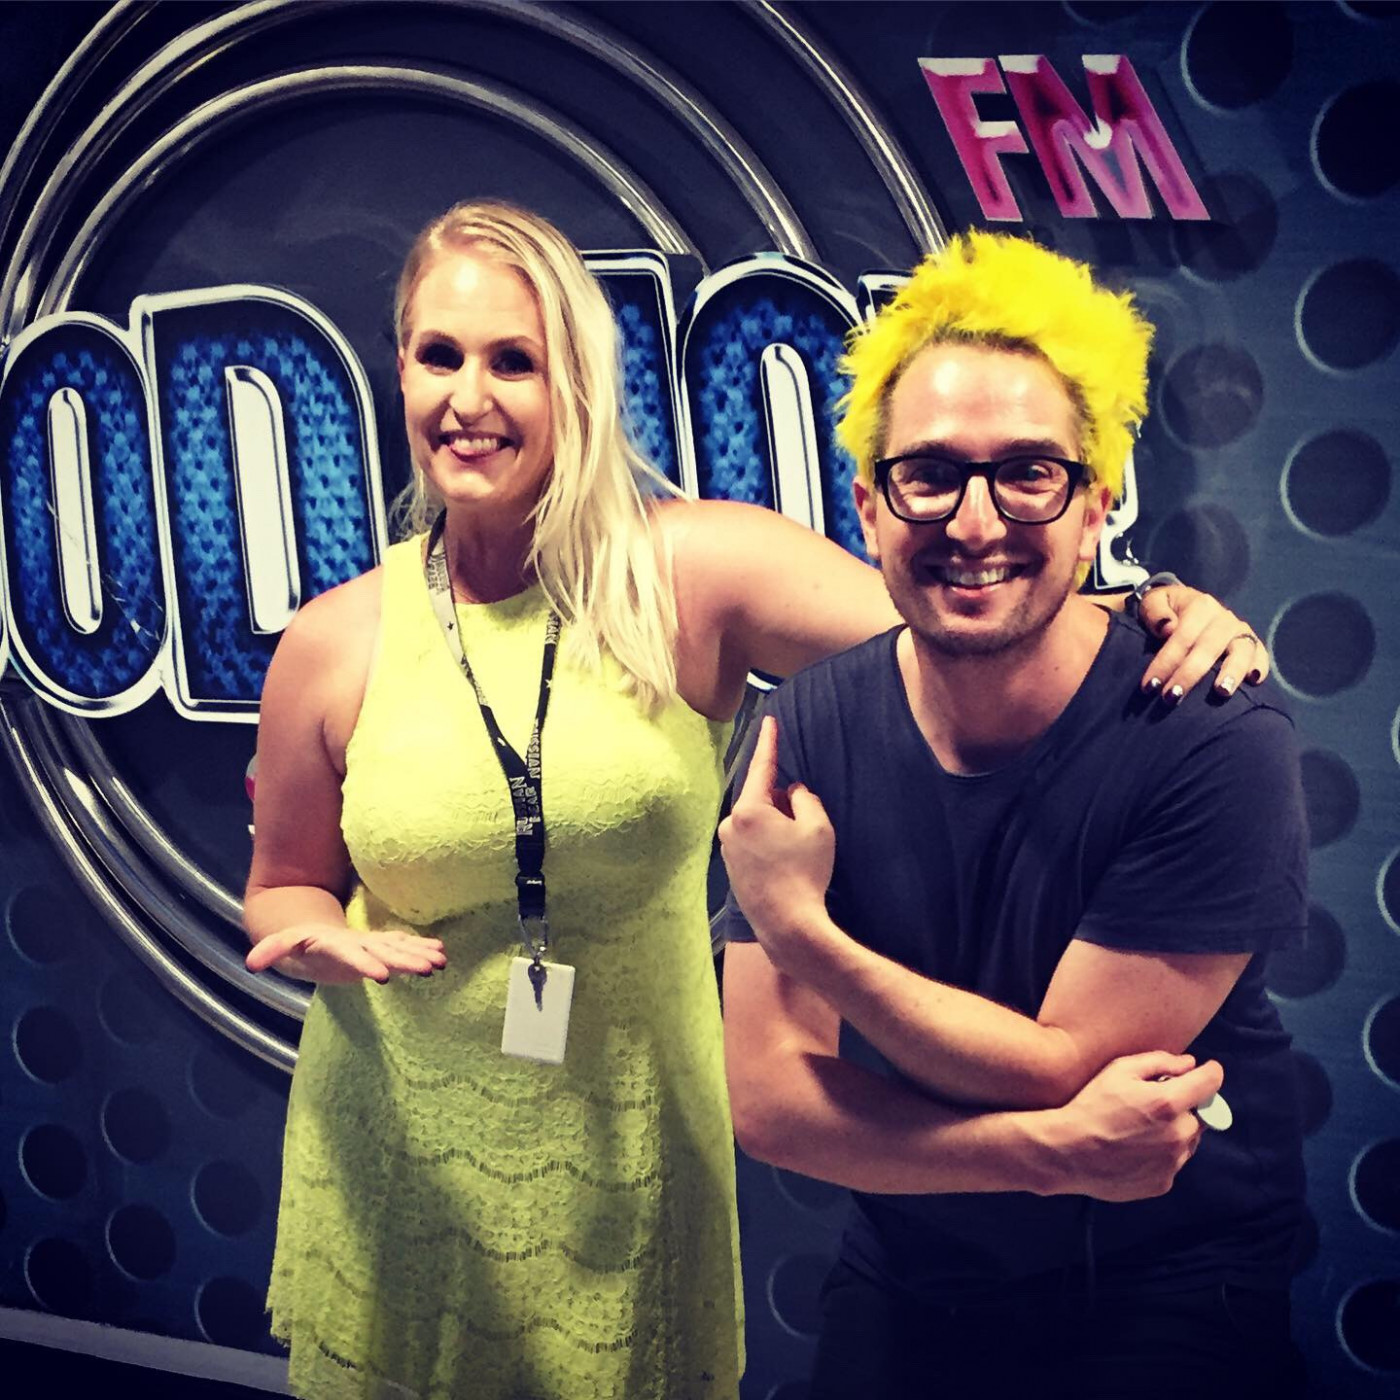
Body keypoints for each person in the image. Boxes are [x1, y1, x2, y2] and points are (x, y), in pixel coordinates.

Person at [243, 202, 1272, 1400]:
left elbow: (966, 599)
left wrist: (1156, 605)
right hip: (399, 1141)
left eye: (512, 359)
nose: (469, 396)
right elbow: (282, 882)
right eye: (440, 355)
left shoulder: (691, 570)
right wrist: (304, 933)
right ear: (402, 371)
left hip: (623, 1152)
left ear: (575, 381)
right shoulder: (333, 639)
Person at [719, 230, 1308, 1400]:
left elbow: (1060, 1069)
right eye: (928, 473)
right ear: (868, 507)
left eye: (1027, 472)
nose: (974, 521)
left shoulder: (1208, 731)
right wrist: (1038, 1156)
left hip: (1163, 1273)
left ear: (1095, 508)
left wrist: (803, 935)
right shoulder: (807, 726)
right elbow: (774, 1101)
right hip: (911, 1265)